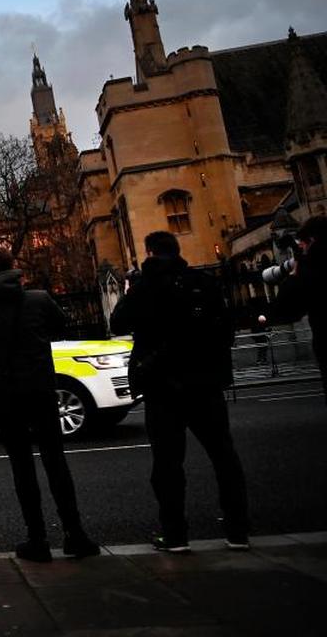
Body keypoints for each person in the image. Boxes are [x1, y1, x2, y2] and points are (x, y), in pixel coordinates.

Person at [0, 246, 100, 562]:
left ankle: (38, 540)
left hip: (4, 396)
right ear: (14, 267)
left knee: (22, 467)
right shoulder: (39, 300)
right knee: (55, 462)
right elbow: (60, 328)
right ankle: (76, 535)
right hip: (41, 391)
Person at [110, 231, 248, 552]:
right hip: (205, 383)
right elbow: (225, 329)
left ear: (149, 252)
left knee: (168, 465)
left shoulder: (145, 287)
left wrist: (129, 292)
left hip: (163, 388)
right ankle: (238, 531)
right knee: (224, 457)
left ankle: (175, 535)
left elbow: (117, 323)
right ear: (177, 251)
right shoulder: (205, 283)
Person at [273, 215, 326, 405]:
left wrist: (295, 275)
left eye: (302, 245)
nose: (301, 250)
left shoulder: (312, 271)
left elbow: (285, 310)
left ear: (311, 241)